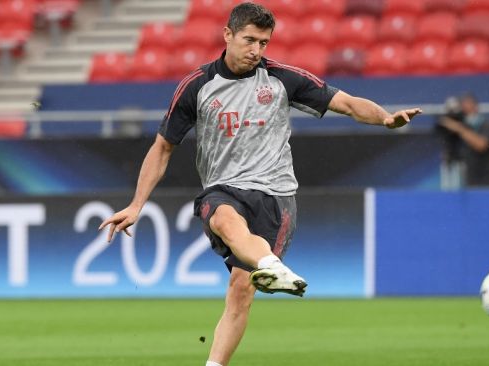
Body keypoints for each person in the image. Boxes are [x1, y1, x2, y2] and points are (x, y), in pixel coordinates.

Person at [98, 3, 422, 366]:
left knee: (241, 291)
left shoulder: (282, 79)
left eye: (263, 43)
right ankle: (274, 267)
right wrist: (137, 204)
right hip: (225, 187)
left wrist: (385, 119)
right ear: (228, 35)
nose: (256, 50)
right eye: (249, 40)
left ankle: (218, 357)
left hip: (277, 196)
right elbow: (162, 148)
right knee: (221, 215)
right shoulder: (197, 86)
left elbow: (343, 102)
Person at [438, 93, 489, 186]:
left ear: (476, 107)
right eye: (463, 109)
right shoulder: (465, 129)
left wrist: (458, 128)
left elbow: (481, 145)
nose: (466, 112)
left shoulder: (488, 126)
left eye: (469, 108)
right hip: (474, 185)